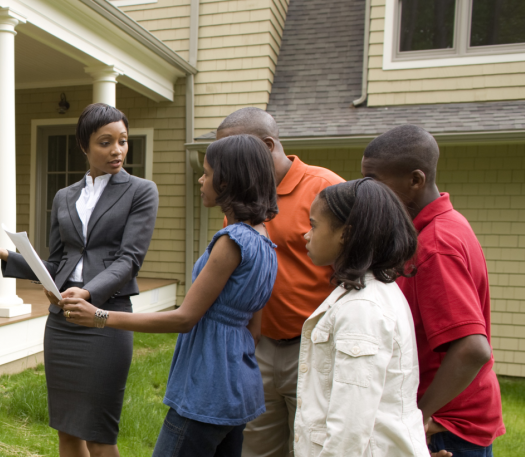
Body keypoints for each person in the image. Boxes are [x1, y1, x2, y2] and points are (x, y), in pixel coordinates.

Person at [0, 103, 159, 457]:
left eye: (123, 141)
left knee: (98, 433)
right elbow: (58, 262)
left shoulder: (141, 191)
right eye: (105, 142)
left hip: (105, 321)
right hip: (62, 323)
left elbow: (130, 260)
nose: (117, 150)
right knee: (67, 431)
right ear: (85, 146)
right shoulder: (65, 196)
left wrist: (89, 292)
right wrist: (4, 255)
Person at [62, 134, 279, 457]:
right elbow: (255, 330)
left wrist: (100, 317)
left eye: (207, 173)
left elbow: (184, 318)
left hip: (207, 389)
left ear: (228, 180)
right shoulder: (264, 241)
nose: (201, 180)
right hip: (241, 386)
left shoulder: (230, 242)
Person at [362, 125, 505, 456]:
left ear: (416, 180)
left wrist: (416, 420)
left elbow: (472, 348)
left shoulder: (435, 245)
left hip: (446, 428)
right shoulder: (436, 228)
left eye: (374, 180)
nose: (366, 189)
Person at [214, 108, 344, 457]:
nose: (224, 167)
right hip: (261, 346)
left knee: (311, 446)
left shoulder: (327, 189)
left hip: (316, 347)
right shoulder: (239, 199)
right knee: (256, 449)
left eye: (234, 151)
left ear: (267, 144)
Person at [295, 177, 431, 456]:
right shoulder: (369, 293)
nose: (306, 235)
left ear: (346, 233)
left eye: (314, 225)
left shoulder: (362, 308)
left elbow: (350, 425)